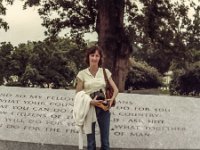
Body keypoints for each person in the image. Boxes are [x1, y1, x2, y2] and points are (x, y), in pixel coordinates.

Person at [76, 45, 119, 150]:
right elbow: (78, 93)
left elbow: (116, 89)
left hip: (103, 108)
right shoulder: (82, 74)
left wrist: (111, 100)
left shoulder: (105, 72)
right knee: (91, 143)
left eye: (97, 56)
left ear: (100, 58)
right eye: (92, 55)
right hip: (89, 108)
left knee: (105, 143)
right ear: (88, 57)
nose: (94, 58)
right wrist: (90, 102)